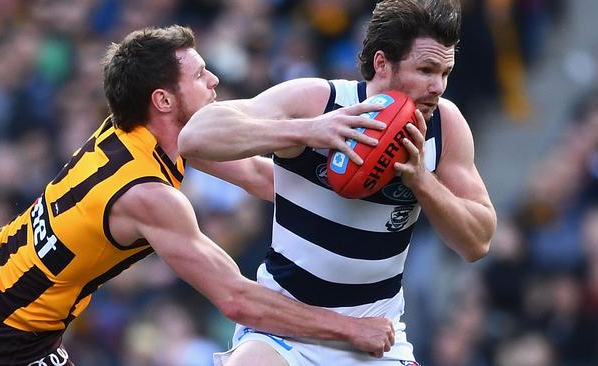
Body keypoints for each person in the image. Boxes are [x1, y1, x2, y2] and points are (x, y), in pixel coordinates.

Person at [0, 25, 397, 366]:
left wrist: (371, 198)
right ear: (164, 100)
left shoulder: (133, 130)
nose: (215, 79)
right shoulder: (150, 197)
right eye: (199, 74)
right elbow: (238, 299)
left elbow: (256, 174)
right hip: (11, 334)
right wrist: (350, 329)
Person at [178, 0, 497, 365]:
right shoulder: (321, 101)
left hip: (378, 336)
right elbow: (195, 136)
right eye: (426, 70)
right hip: (285, 332)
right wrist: (308, 129)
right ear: (382, 63)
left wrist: (423, 181)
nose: (437, 87)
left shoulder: (444, 125)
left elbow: (479, 241)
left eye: (445, 72)